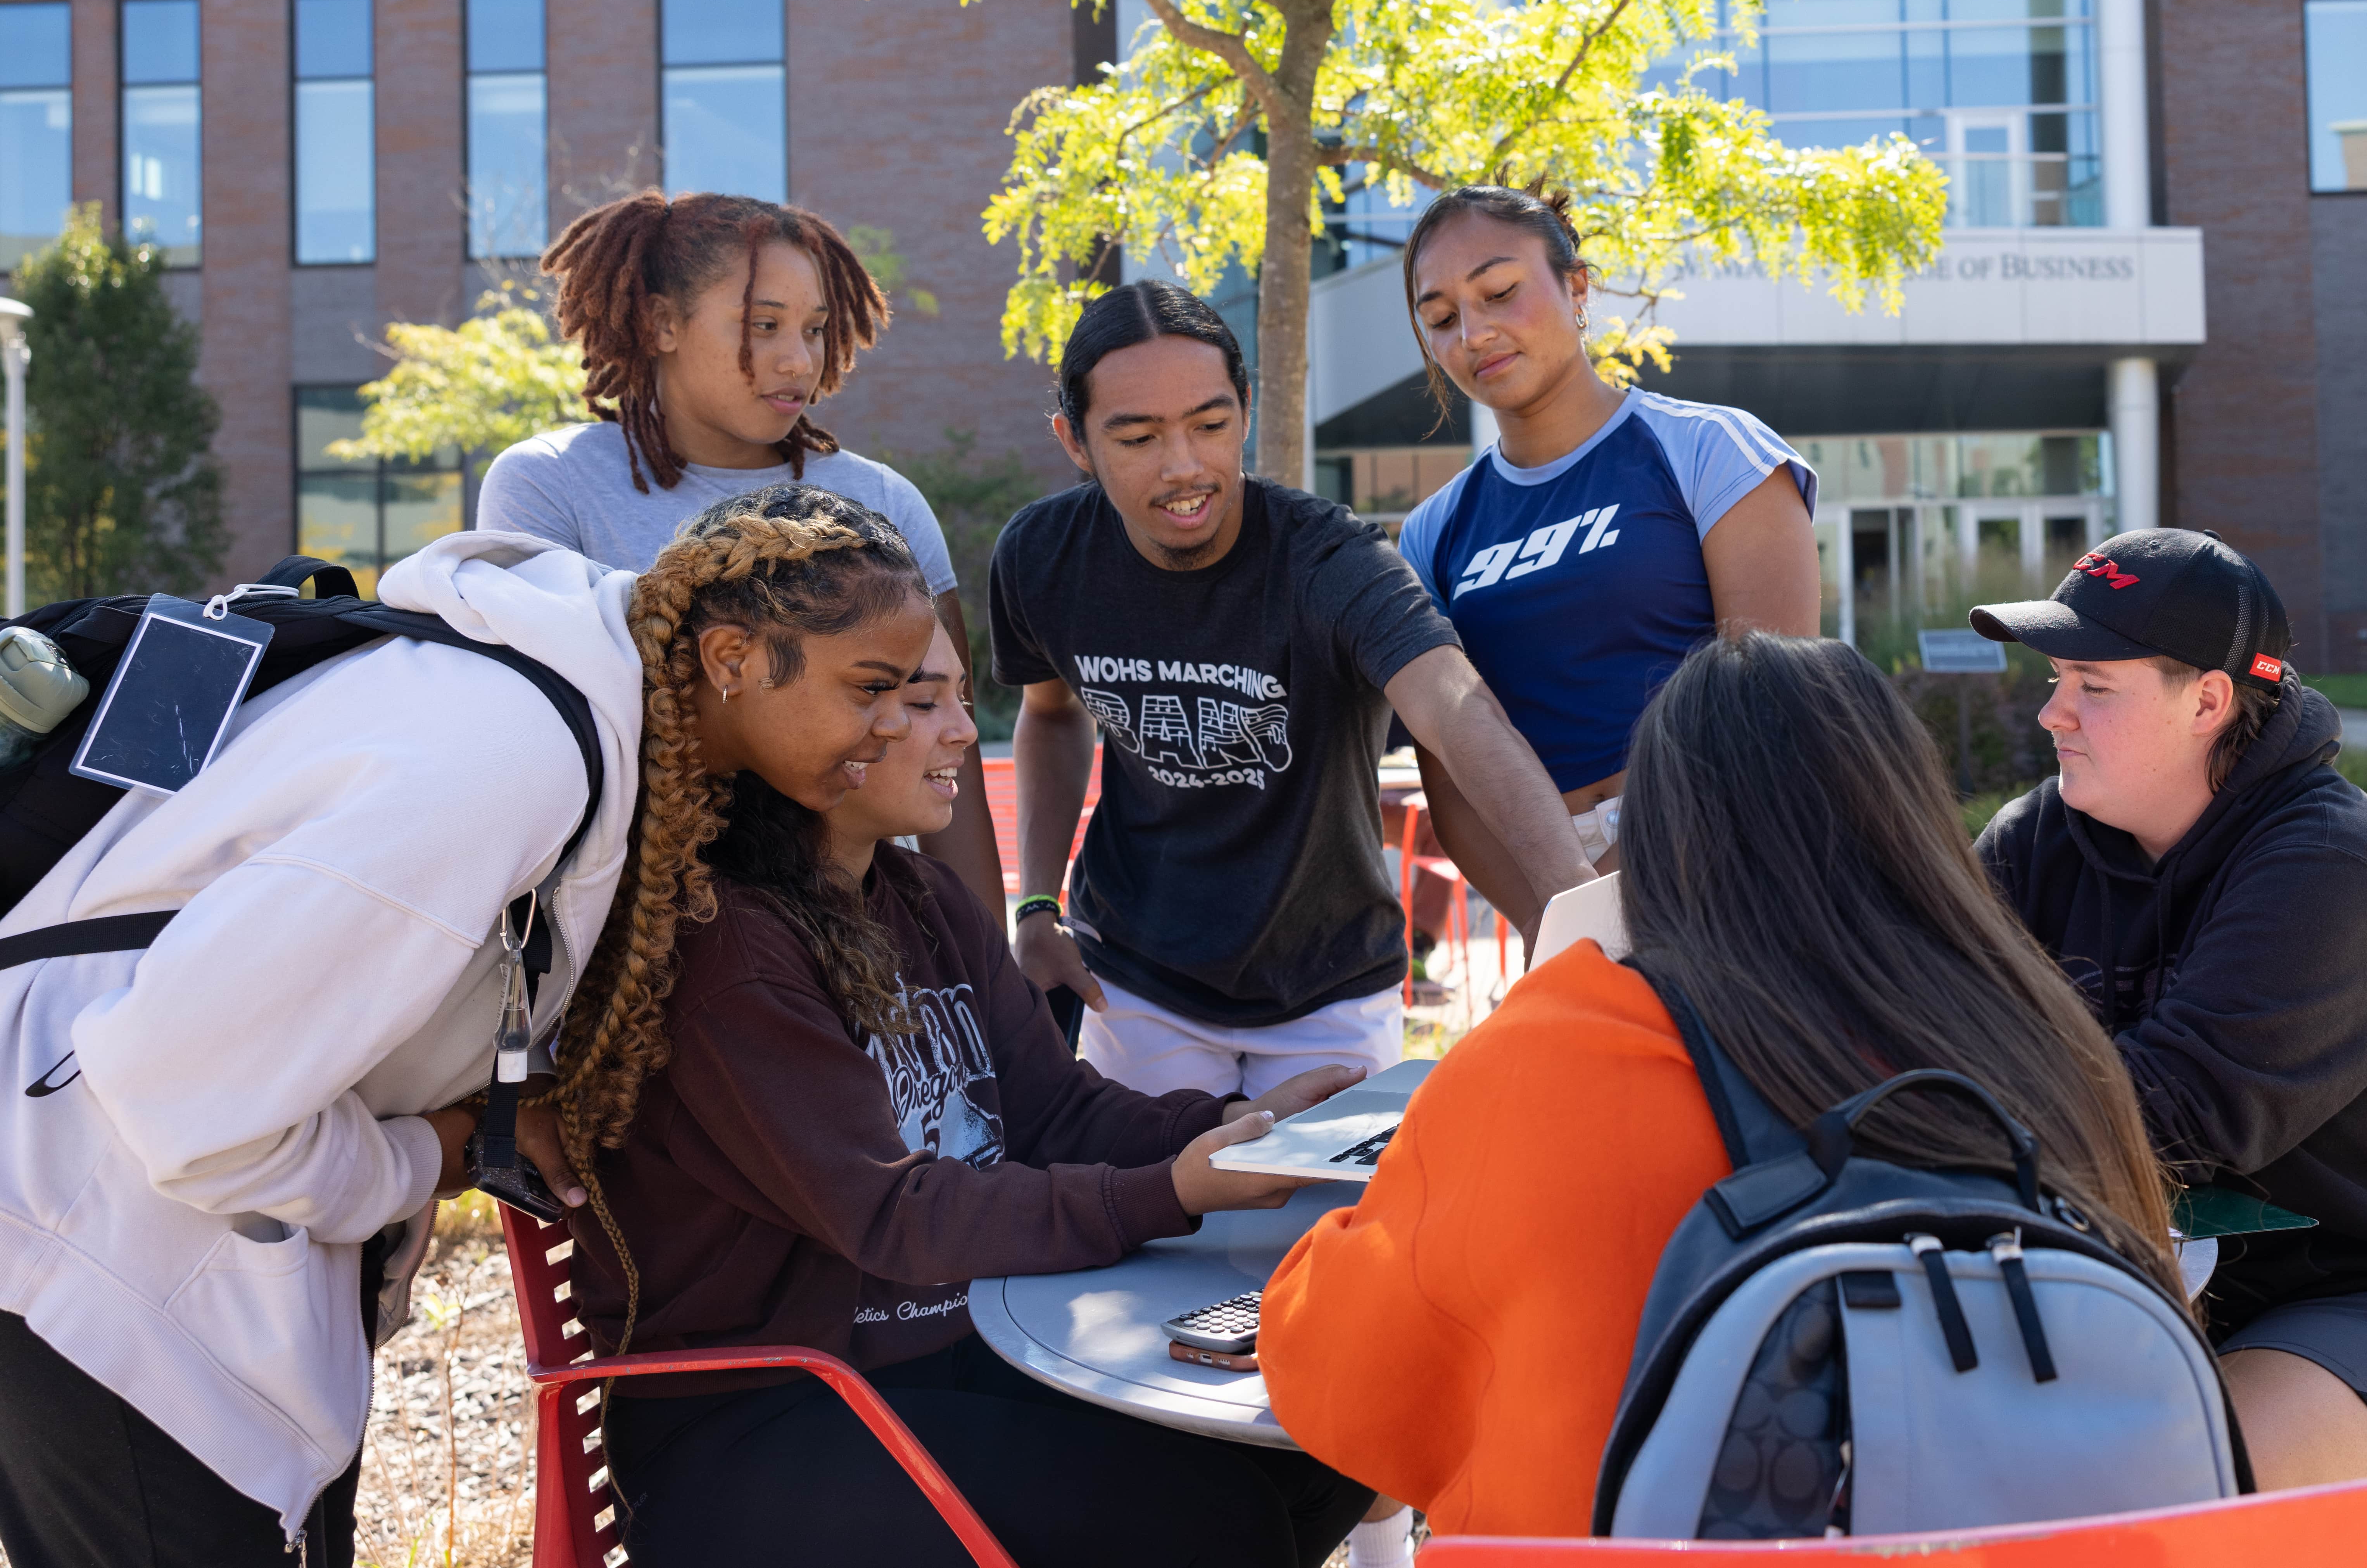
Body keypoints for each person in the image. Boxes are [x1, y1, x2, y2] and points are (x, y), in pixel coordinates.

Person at [528, 495, 1374, 1568]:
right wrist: (1173, 1190)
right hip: (765, 1422)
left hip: (944, 1356)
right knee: (1208, 1518)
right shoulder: (727, 947)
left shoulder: (918, 896)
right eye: (899, 696)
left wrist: (1244, 1128)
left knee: (1332, 1429)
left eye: (947, 698)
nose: (959, 733)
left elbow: (1056, 1108)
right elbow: (893, 1211)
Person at [0, 504, 817, 1562]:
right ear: (731, 658)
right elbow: (181, 1100)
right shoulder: (510, 759)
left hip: (117, 1223)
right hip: (101, 1248)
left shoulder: (520, 694)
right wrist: (445, 1145)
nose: (917, 726)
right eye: (879, 687)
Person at [1257, 632, 2180, 1538]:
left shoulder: (1549, 1049)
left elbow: (1344, 1382)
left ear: (1662, 834)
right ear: (1909, 814)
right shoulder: (2035, 1037)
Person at [1967, 527, 2367, 1512]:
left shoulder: (2327, 866)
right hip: (2153, 1294)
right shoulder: (2042, 842)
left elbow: (2161, 1121)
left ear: (2207, 700)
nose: (2052, 714)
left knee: (2179, 1489)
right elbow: (1918, 1018)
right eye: (2055, 681)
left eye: (2093, 686)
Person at [990, 280, 1593, 1101]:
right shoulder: (1042, 557)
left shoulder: (1331, 562)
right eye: (1136, 438)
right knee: (1156, 1224)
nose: (1185, 467)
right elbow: (1051, 714)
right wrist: (1033, 903)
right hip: (1135, 980)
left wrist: (1577, 914)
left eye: (1210, 425)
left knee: (1341, 1227)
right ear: (1075, 440)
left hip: (1331, 987)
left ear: (1244, 407)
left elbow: (1459, 712)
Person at [477, 186, 1005, 900]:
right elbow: (533, 750)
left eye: (815, 330)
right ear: (663, 323)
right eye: (764, 325)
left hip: (856, 925)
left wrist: (984, 970)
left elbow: (944, 747)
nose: (798, 361)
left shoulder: (883, 500)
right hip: (632, 925)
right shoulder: (549, 487)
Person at [1395, 185, 1818, 893]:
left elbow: (1771, 708)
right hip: (1551, 885)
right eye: (1441, 319)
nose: (1472, 334)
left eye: (1499, 292)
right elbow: (1450, 770)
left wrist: (1640, 886)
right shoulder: (1432, 533)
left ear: (1577, 287)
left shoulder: (1716, 452)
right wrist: (1548, 920)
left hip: (1728, 867)